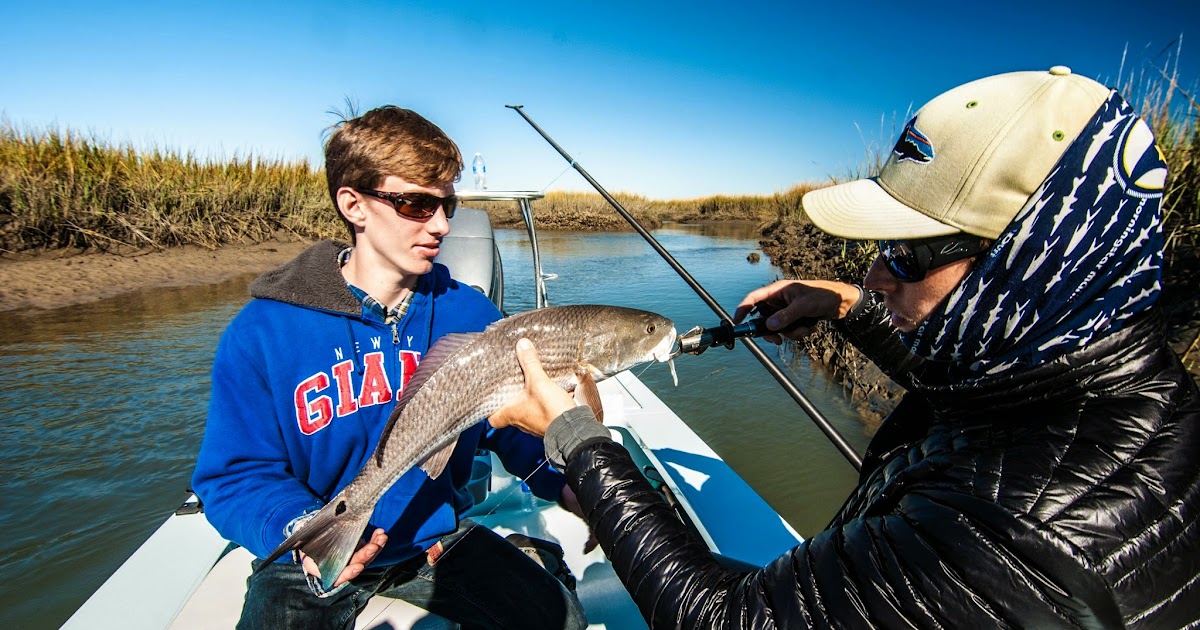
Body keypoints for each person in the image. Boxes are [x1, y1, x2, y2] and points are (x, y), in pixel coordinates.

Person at [490, 67, 1200, 628]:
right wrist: (852, 311)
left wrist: (579, 437)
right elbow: (970, 401)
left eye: (909, 254)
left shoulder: (1012, 538)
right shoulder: (1118, 390)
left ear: (1032, 266)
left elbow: (721, 619)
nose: (874, 272)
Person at [191, 105, 587, 629]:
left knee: (562, 621)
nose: (442, 225)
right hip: (310, 551)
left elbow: (507, 424)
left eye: (447, 204)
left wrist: (569, 484)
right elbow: (235, 475)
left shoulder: (469, 313)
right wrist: (302, 529)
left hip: (432, 540)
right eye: (417, 204)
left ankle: (525, 556)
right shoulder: (263, 333)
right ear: (354, 205)